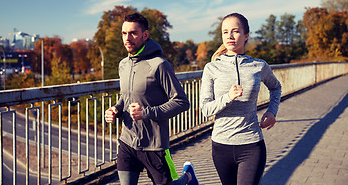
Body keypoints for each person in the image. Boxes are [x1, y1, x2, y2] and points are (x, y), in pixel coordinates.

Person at [105, 13, 199, 185]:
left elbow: (182, 102)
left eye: (133, 33)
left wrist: (146, 113)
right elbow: (125, 97)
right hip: (127, 141)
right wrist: (115, 110)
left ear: (145, 35)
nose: (127, 38)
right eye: (124, 33)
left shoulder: (159, 65)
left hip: (154, 145)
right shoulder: (123, 65)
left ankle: (188, 177)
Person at [200, 13, 282, 185]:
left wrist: (272, 111)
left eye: (235, 31)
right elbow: (206, 110)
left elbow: (276, 87)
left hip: (251, 144)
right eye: (225, 32)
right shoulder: (212, 68)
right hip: (221, 146)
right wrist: (227, 97)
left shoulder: (259, 66)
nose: (229, 36)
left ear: (246, 36)